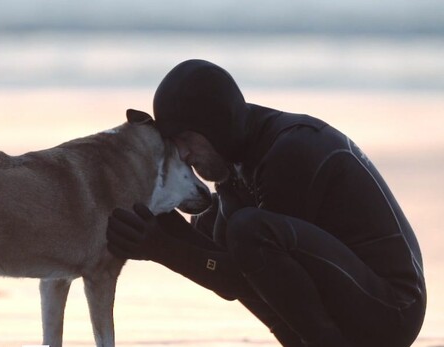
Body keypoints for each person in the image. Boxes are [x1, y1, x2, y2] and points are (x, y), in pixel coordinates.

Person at [106, 59, 426, 347]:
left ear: (216, 124)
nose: (185, 155)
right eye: (176, 145)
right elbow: (240, 271)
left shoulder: (292, 149)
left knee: (247, 230)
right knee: (209, 223)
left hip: (392, 312)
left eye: (187, 139)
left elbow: (243, 274)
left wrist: (160, 246)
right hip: (352, 303)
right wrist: (162, 224)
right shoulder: (239, 162)